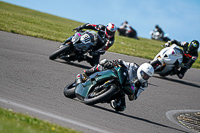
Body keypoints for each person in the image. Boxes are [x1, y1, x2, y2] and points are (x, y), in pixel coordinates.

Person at [81, 59, 154, 111]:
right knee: (105, 63)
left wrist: (131, 92)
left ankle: (109, 98)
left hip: (122, 88)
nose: (145, 77)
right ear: (140, 70)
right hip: (118, 76)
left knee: (121, 107)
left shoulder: (143, 84)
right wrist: (114, 63)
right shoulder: (133, 67)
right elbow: (122, 62)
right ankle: (88, 72)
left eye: (147, 76)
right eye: (144, 74)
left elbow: (134, 97)